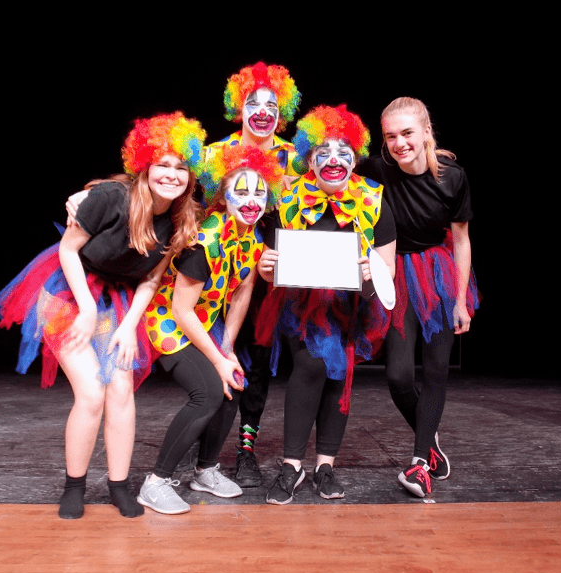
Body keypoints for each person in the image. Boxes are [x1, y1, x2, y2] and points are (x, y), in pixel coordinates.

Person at [0, 112, 206, 519]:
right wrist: (86, 308)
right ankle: (74, 486)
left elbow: (151, 280)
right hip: (66, 291)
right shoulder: (110, 198)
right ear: (145, 166)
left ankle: (119, 486)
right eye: (163, 164)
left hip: (117, 300)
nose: (172, 175)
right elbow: (68, 250)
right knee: (91, 393)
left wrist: (128, 327)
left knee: (120, 389)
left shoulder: (179, 219)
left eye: (181, 168)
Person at [255, 105, 397, 505]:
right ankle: (292, 465)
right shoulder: (288, 197)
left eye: (342, 151)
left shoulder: (373, 199)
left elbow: (388, 268)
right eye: (323, 152)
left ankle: (324, 466)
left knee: (339, 374)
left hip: (352, 306)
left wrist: (372, 271)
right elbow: (269, 258)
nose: (333, 160)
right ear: (309, 158)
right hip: (301, 305)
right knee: (312, 364)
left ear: (355, 156)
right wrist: (265, 267)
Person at [136, 144, 284, 514]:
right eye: (241, 191)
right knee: (207, 392)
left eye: (259, 192)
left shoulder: (252, 236)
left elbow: (242, 293)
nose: (251, 200)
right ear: (223, 195)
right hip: (169, 322)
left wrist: (228, 347)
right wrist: (217, 359)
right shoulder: (206, 241)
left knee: (234, 382)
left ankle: (205, 470)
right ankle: (156, 483)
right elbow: (181, 310)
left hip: (204, 323)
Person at [357, 97, 481, 498]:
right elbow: (328, 171)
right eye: (391, 136)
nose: (400, 143)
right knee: (398, 376)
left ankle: (418, 464)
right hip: (393, 272)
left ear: (427, 131)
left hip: (437, 274)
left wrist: (459, 299)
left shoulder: (452, 177)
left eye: (408, 133)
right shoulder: (376, 169)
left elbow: (461, 240)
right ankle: (428, 441)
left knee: (436, 370)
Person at [206, 62, 304, 487]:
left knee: (258, 359)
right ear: (238, 107)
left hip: (268, 274)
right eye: (252, 103)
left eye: (271, 105)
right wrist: (94, 191)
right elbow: (164, 184)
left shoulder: (295, 158)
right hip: (218, 272)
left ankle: (246, 451)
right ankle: (206, 445)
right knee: (216, 354)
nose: (262, 112)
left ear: (282, 113)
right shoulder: (213, 155)